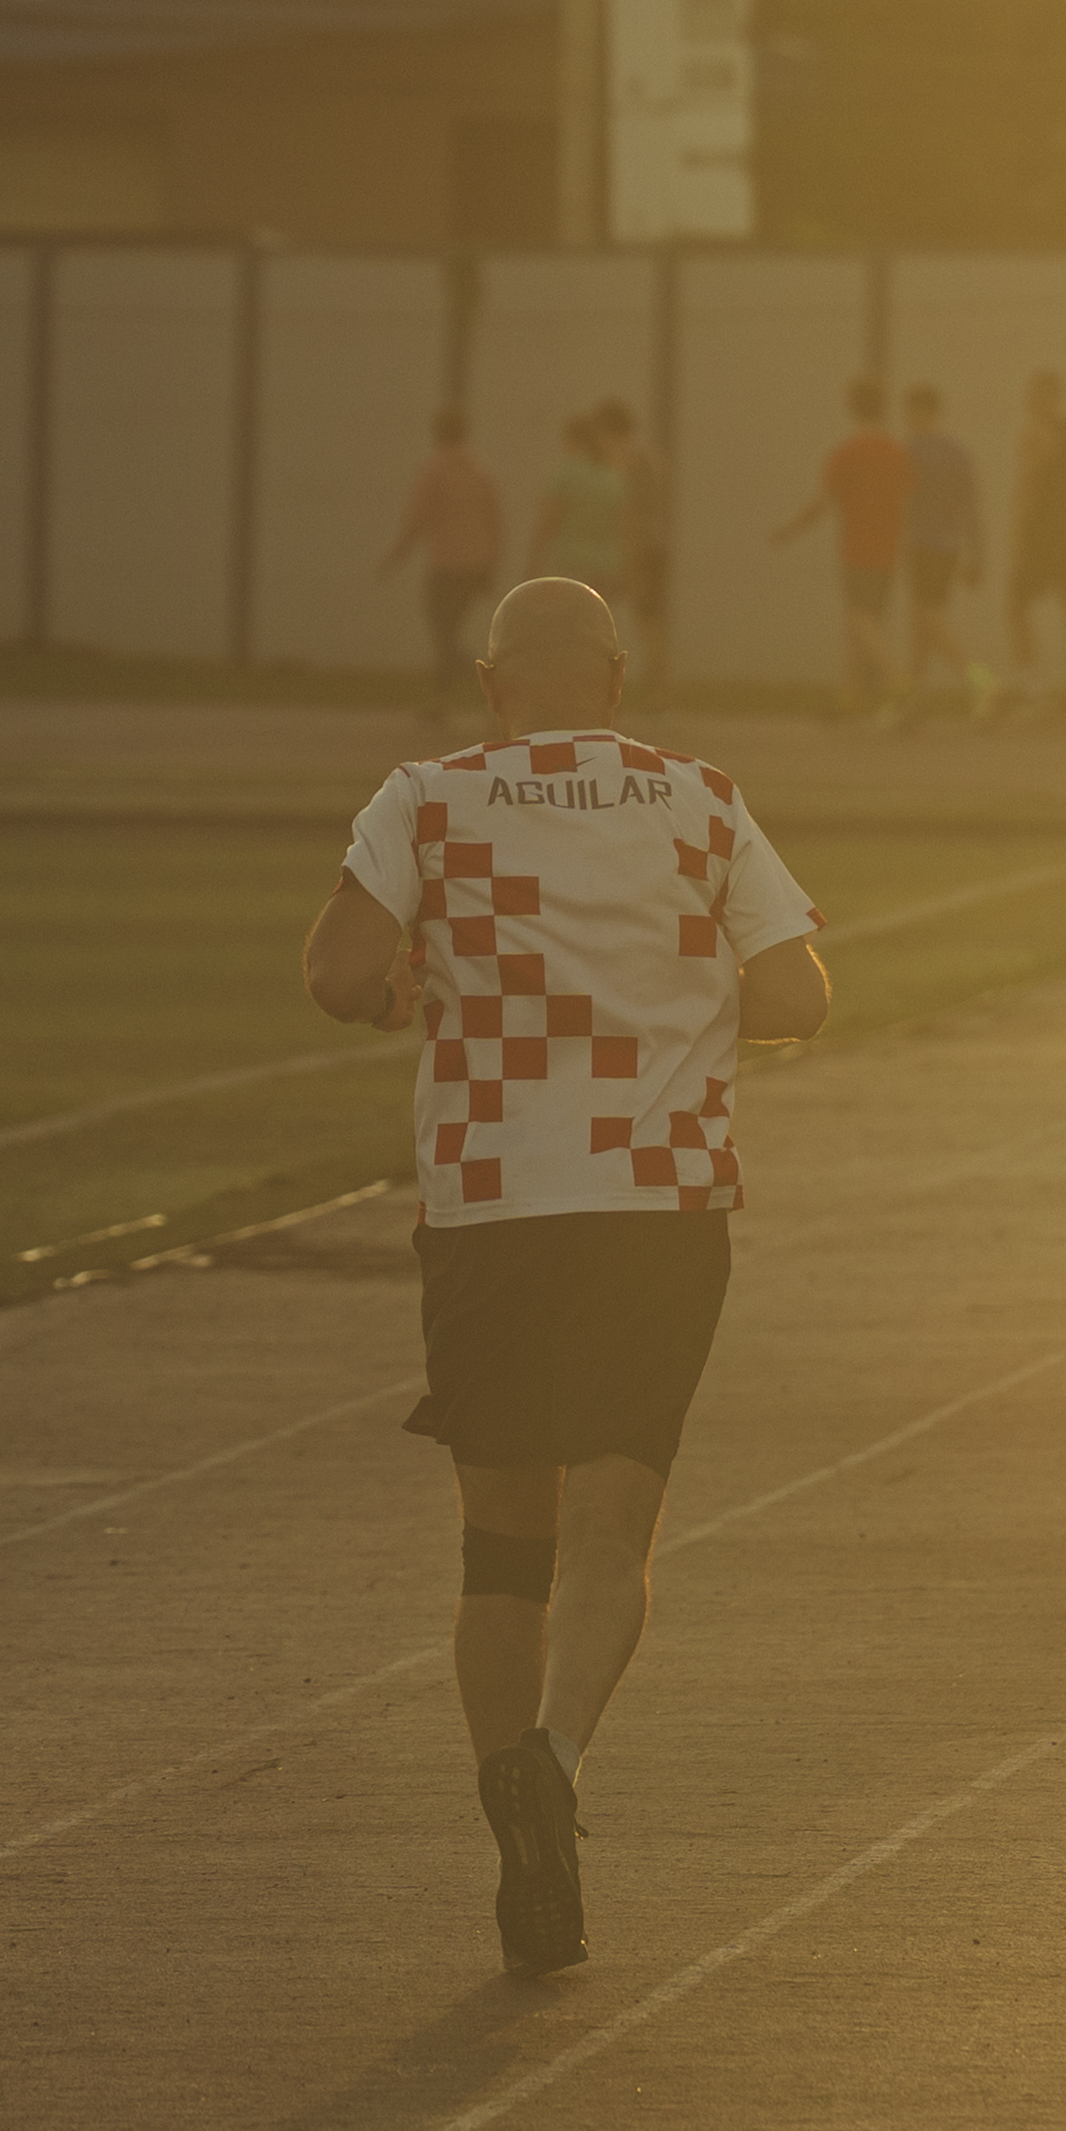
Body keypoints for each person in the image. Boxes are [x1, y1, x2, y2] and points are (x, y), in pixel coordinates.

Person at [301, 573, 831, 1979]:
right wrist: (672, 996)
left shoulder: (425, 797)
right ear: (615, 675)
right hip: (654, 1202)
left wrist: (407, 980)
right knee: (616, 1520)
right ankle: (558, 1754)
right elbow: (795, 996)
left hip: (492, 1199)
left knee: (501, 1537)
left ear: (492, 685)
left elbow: (337, 971)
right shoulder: (699, 798)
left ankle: (505, 1805)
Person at [768, 377, 913, 721]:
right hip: (889, 548)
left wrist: (790, 528)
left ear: (852, 407)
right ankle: (849, 699)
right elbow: (907, 500)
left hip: (858, 548)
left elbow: (823, 502)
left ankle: (898, 680)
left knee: (859, 618)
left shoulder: (846, 453)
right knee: (860, 626)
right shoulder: (896, 451)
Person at [378, 407, 506, 717]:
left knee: (443, 634)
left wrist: (395, 557)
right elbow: (494, 523)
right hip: (474, 567)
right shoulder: (480, 471)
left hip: (445, 565)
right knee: (449, 632)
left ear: (436, 432)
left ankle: (488, 689)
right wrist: (490, 568)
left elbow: (417, 519)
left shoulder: (433, 470)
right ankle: (443, 699)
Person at [1003, 372, 1066, 704]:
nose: (1028, 402)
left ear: (1050, 398)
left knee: (1015, 607)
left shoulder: (1034, 435)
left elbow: (1027, 492)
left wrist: (1017, 541)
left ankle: (1036, 691)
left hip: (1043, 537)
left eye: (1034, 395)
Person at [898, 380, 988, 722]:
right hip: (949, 549)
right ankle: (912, 704)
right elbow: (970, 509)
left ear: (920, 411)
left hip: (922, 546)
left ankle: (984, 683)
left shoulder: (910, 450)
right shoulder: (958, 452)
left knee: (929, 625)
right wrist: (976, 556)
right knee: (922, 629)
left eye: (908, 411)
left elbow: (901, 502)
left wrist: (898, 543)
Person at [593, 399, 678, 698]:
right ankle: (659, 693)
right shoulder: (652, 458)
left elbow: (626, 510)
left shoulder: (628, 459)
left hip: (636, 550)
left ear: (610, 430)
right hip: (653, 547)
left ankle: (646, 694)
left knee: (631, 620)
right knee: (649, 622)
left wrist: (624, 554)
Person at [529, 403, 637, 622]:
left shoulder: (564, 475)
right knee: (597, 627)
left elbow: (547, 523)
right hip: (606, 568)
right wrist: (628, 571)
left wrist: (532, 565)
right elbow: (625, 530)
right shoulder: (615, 480)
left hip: (569, 565)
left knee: (566, 625)